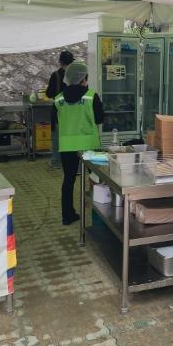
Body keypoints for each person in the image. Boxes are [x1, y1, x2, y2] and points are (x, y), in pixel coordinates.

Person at [54, 61, 103, 225]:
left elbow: (55, 121)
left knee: (68, 179)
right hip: (89, 144)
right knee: (97, 178)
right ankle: (100, 213)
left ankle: (67, 216)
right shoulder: (91, 96)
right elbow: (100, 119)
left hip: (67, 145)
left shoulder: (58, 99)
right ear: (84, 78)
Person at [46, 50, 75, 168]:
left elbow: (49, 93)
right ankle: (73, 161)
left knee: (57, 137)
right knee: (71, 136)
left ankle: (57, 162)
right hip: (74, 110)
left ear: (60, 62)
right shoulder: (77, 75)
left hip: (59, 110)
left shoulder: (56, 75)